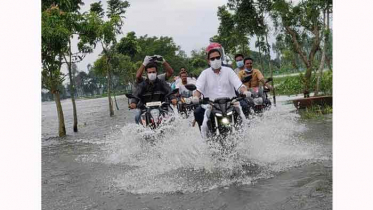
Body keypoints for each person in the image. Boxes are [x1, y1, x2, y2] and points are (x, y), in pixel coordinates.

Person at [192, 43, 251, 135]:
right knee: (199, 114)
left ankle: (245, 136)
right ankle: (205, 141)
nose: (215, 60)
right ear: (208, 61)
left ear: (221, 57)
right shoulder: (204, 73)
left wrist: (245, 91)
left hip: (231, 103)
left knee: (245, 110)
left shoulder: (229, 71)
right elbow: (198, 90)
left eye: (217, 57)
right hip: (211, 105)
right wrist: (195, 97)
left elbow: (239, 85)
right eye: (212, 58)